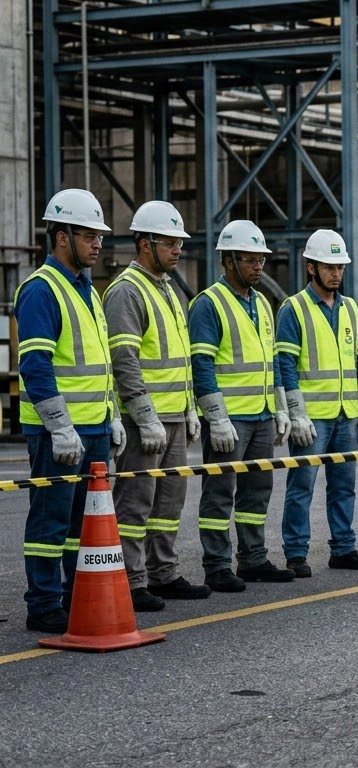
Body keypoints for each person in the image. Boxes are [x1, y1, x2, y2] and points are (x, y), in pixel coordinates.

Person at [16, 188, 127, 633]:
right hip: (57, 434)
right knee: (51, 519)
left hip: (94, 428)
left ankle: (71, 594)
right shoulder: (42, 290)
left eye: (99, 235)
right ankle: (43, 604)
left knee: (83, 523)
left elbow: (100, 365)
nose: (98, 243)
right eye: (89, 235)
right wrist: (60, 428)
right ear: (61, 237)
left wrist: (112, 413)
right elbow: (35, 364)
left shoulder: (86, 290)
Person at [105, 200, 211, 611]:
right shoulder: (127, 291)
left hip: (174, 419)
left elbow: (177, 358)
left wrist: (188, 409)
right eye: (169, 242)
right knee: (134, 503)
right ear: (145, 244)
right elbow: (125, 359)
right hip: (144, 422)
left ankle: (161, 572)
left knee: (168, 504)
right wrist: (144, 415)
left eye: (179, 243)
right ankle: (132, 581)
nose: (177, 249)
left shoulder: (166, 289)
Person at [189, 219, 294, 591]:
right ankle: (216, 565)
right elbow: (200, 364)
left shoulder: (263, 303)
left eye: (261, 260)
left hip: (262, 416)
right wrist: (215, 418)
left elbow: (274, 362)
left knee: (257, 492)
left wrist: (281, 407)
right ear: (228, 261)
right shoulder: (209, 304)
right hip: (231, 421)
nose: (258, 267)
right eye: (250, 260)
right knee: (219, 495)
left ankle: (253, 559)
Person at [275, 229, 358, 576]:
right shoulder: (294, 309)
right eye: (329, 266)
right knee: (301, 486)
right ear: (310, 267)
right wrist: (296, 413)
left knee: (343, 485)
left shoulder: (350, 308)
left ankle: (344, 548)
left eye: (340, 266)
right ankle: (295, 552)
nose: (336, 273)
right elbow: (285, 365)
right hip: (313, 418)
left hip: (346, 414)